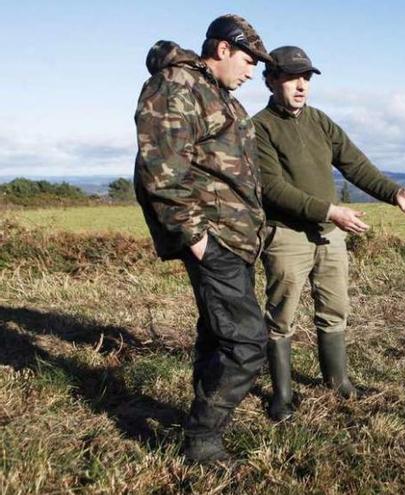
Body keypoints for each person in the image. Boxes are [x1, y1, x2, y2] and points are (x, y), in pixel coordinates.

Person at [253, 46, 405, 421]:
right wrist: (330, 210)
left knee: (335, 310)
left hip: (330, 235)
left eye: (307, 78)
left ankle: (338, 383)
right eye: (291, 78)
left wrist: (394, 192)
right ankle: (282, 394)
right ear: (270, 81)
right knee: (281, 316)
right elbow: (272, 189)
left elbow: (355, 164)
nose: (301, 86)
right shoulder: (259, 128)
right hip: (286, 235)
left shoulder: (320, 121)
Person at [133, 14, 273, 463]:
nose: (254, 71)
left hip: (234, 236)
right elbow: (159, 169)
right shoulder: (177, 85)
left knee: (218, 334)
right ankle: (202, 438)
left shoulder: (219, 95)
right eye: (250, 60)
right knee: (248, 341)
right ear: (224, 49)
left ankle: (201, 427)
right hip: (213, 237)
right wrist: (195, 237)